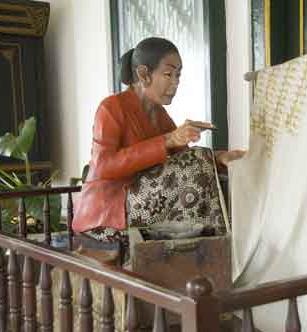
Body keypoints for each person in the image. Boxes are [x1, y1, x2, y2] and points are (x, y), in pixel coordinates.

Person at [72, 37, 244, 240]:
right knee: (198, 160)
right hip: (109, 210)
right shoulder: (110, 107)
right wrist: (168, 140)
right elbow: (103, 166)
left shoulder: (159, 114)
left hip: (142, 202)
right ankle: (216, 241)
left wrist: (221, 158)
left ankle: (210, 242)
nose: (176, 83)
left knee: (203, 165)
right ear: (144, 75)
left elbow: (187, 162)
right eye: (168, 74)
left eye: (178, 75)